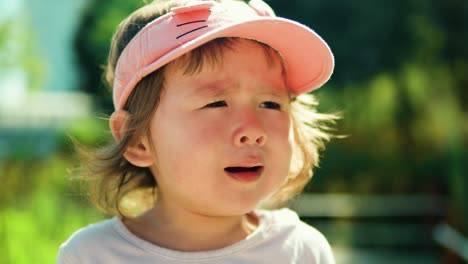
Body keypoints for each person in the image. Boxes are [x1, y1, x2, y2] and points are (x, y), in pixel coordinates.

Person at [57, 0, 339, 263]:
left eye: (270, 103)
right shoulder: (93, 255)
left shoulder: (300, 251)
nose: (253, 130)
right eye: (216, 103)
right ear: (137, 140)